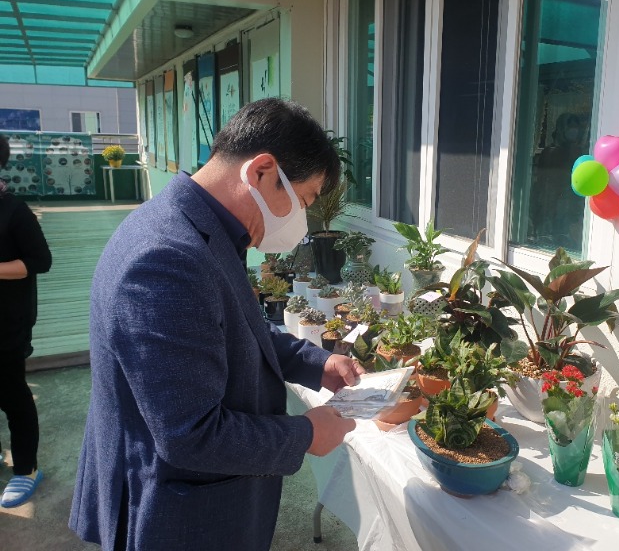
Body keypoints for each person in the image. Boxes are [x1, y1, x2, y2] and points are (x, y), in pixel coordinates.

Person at [69, 99, 364, 550]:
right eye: (303, 201)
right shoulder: (167, 258)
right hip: (177, 516)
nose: (301, 223)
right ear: (262, 171)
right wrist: (306, 433)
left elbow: (231, 327)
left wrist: (314, 362)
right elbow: (190, 434)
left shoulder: (201, 226)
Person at [0, 134, 52, 508]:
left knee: (12, 394)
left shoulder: (14, 212)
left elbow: (40, 261)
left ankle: (25, 468)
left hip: (6, 323)